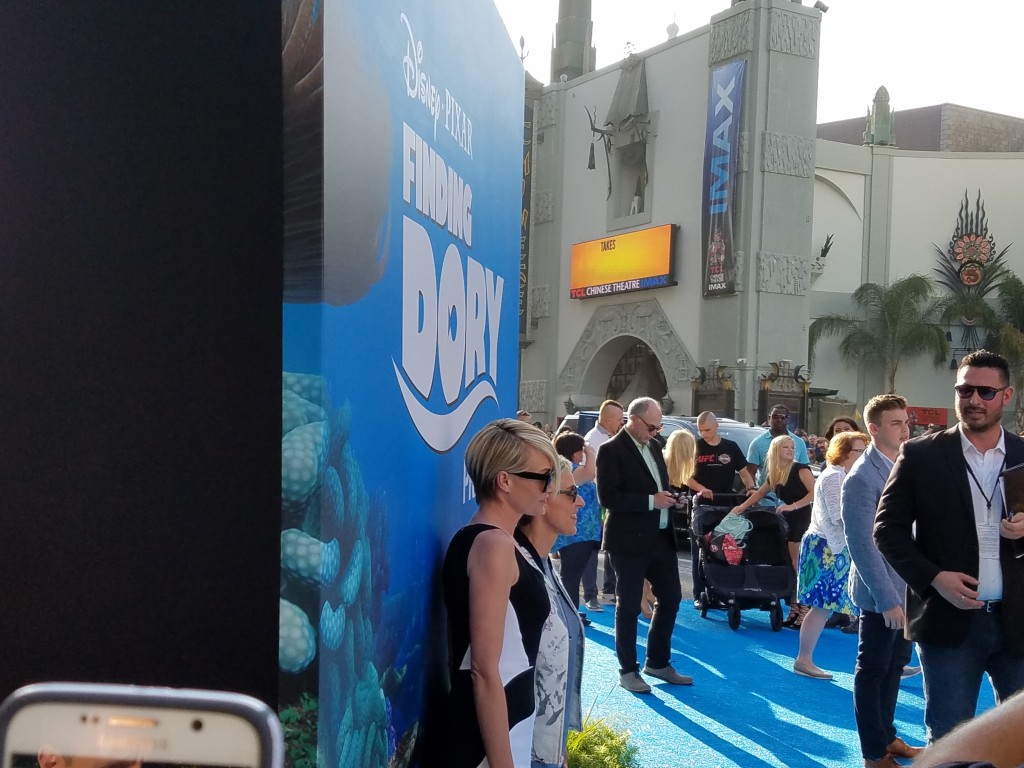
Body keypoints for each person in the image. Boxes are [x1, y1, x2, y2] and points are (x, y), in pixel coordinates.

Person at [876, 350, 1024, 742]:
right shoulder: (921, 454)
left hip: (1019, 622)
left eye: (985, 392)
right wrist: (935, 578)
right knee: (948, 738)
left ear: (1007, 396)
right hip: (948, 623)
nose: (973, 400)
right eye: (964, 389)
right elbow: (886, 529)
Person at [442, 419, 558, 768]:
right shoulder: (492, 545)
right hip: (487, 740)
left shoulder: (497, 541)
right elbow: (483, 670)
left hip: (508, 727)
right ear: (504, 480)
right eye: (543, 476)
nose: (549, 488)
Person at [843, 393, 921, 767]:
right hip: (881, 594)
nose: (905, 429)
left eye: (906, 422)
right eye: (896, 423)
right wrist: (888, 598)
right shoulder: (860, 477)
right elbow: (861, 544)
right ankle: (873, 752)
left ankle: (887, 737)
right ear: (873, 429)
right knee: (872, 670)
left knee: (894, 668)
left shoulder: (907, 466)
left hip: (910, 590)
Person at [596, 396, 690, 693]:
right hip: (628, 541)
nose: (655, 431)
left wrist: (673, 498)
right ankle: (628, 670)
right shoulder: (610, 450)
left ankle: (657, 662)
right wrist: (652, 501)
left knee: (671, 598)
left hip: (660, 538)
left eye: (658, 427)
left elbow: (658, 488)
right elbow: (608, 498)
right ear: (633, 419)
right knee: (628, 606)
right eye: (652, 426)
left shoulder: (653, 445)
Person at [515, 456, 586, 768]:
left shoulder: (544, 563)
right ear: (542, 499)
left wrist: (560, 749)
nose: (581, 501)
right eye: (570, 493)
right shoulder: (514, 569)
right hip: (519, 750)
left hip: (545, 750)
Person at [793, 430, 869, 679]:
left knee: (852, 605)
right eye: (860, 450)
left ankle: (887, 661)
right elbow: (839, 516)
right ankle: (804, 660)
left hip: (834, 547)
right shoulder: (834, 477)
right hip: (826, 548)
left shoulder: (844, 474)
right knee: (822, 606)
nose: (865, 454)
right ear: (845, 452)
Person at [730, 434, 815, 627]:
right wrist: (741, 508)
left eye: (792, 447)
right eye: (786, 447)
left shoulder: (801, 469)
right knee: (789, 564)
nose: (791, 450)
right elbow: (760, 492)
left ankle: (805, 608)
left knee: (797, 564)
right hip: (787, 521)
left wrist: (792, 506)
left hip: (803, 519)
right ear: (776, 450)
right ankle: (794, 607)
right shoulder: (776, 473)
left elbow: (814, 493)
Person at [550, 432, 601, 622]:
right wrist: (591, 451)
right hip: (575, 533)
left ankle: (571, 609)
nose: (583, 453)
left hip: (583, 532)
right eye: (580, 450)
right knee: (571, 575)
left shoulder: (573, 468)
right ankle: (568, 613)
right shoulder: (570, 470)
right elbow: (590, 472)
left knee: (573, 573)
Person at [584, 399, 625, 607]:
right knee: (595, 548)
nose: (621, 422)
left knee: (612, 544)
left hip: (608, 500)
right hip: (598, 502)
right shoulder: (593, 440)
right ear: (607, 419)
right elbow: (591, 474)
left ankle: (610, 589)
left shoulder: (610, 437)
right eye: (619, 418)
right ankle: (594, 594)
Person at [689, 411, 756, 499]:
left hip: (725, 500)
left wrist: (751, 488)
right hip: (699, 502)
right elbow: (685, 476)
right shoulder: (693, 447)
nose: (703, 434)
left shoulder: (731, 447)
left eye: (707, 430)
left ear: (716, 425)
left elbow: (744, 473)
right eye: (700, 430)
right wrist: (701, 489)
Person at [745, 404, 811, 488]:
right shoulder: (757, 443)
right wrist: (753, 492)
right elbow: (750, 472)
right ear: (769, 418)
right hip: (765, 498)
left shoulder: (799, 442)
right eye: (775, 417)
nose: (779, 420)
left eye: (783, 417)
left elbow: (805, 470)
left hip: (792, 498)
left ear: (788, 419)